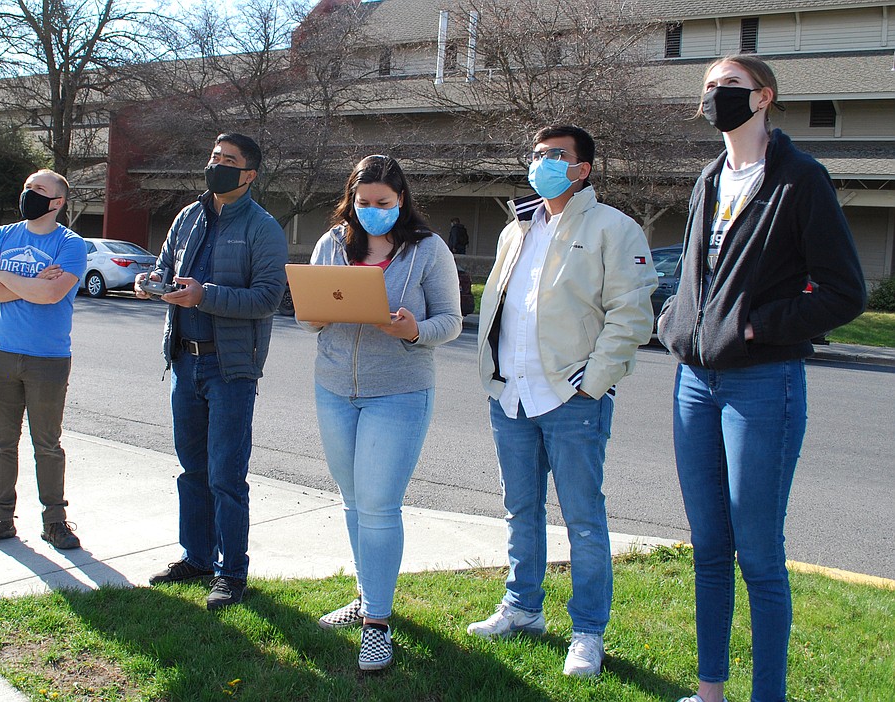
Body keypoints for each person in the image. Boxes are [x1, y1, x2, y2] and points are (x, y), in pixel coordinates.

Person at [658, 56, 866, 702]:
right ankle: (711, 690)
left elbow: (845, 292)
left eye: (730, 88)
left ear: (764, 97)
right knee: (709, 548)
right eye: (708, 89)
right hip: (694, 382)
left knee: (758, 555)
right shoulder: (709, 178)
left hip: (761, 385)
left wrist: (761, 325)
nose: (715, 97)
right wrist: (676, 322)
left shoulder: (800, 180)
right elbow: (697, 275)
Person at [466, 125, 657, 678]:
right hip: (512, 395)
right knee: (520, 510)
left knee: (584, 520)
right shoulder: (516, 229)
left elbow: (631, 314)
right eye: (536, 154)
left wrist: (592, 381)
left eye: (555, 155)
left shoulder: (612, 229)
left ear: (583, 169)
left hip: (572, 398)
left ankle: (587, 631)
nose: (542, 162)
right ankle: (523, 607)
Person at [304, 155, 462, 671]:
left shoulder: (428, 249)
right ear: (351, 199)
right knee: (352, 501)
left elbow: (452, 322)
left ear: (401, 201)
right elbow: (309, 316)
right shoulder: (332, 243)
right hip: (333, 388)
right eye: (362, 202)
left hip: (398, 391)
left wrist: (413, 330)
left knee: (378, 505)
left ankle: (378, 624)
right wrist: (317, 315)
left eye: (383, 203)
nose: (371, 211)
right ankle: (365, 594)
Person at [135, 133, 288, 610]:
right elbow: (163, 268)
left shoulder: (263, 228)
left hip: (231, 368)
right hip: (185, 361)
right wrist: (149, 283)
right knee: (192, 470)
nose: (216, 164)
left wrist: (206, 295)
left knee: (226, 474)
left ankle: (231, 573)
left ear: (249, 175)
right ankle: (197, 557)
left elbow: (268, 298)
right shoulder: (187, 217)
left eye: (228, 160)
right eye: (214, 156)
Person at [0, 169, 88, 551]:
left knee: (47, 444)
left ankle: (55, 522)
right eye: (27, 187)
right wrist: (29, 283)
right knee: (1, 442)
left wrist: (2, 274)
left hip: (47, 359)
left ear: (58, 203)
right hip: (0, 353)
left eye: (38, 190)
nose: (28, 194)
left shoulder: (71, 244)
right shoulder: (1, 236)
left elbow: (51, 296)